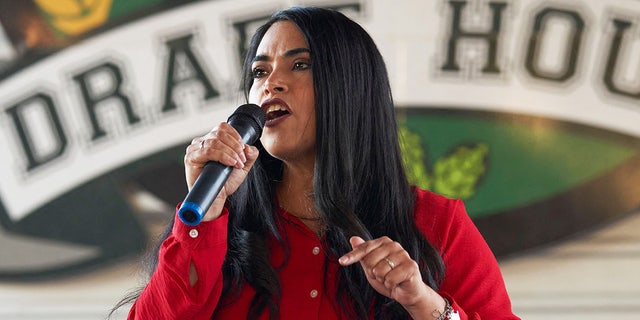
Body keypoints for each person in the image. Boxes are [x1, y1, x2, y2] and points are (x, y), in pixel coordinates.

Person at [123, 6, 519, 320]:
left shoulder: (436, 222)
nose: (269, 83)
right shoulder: (214, 224)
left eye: (300, 65)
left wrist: (423, 303)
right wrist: (205, 216)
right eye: (259, 71)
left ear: (351, 88)